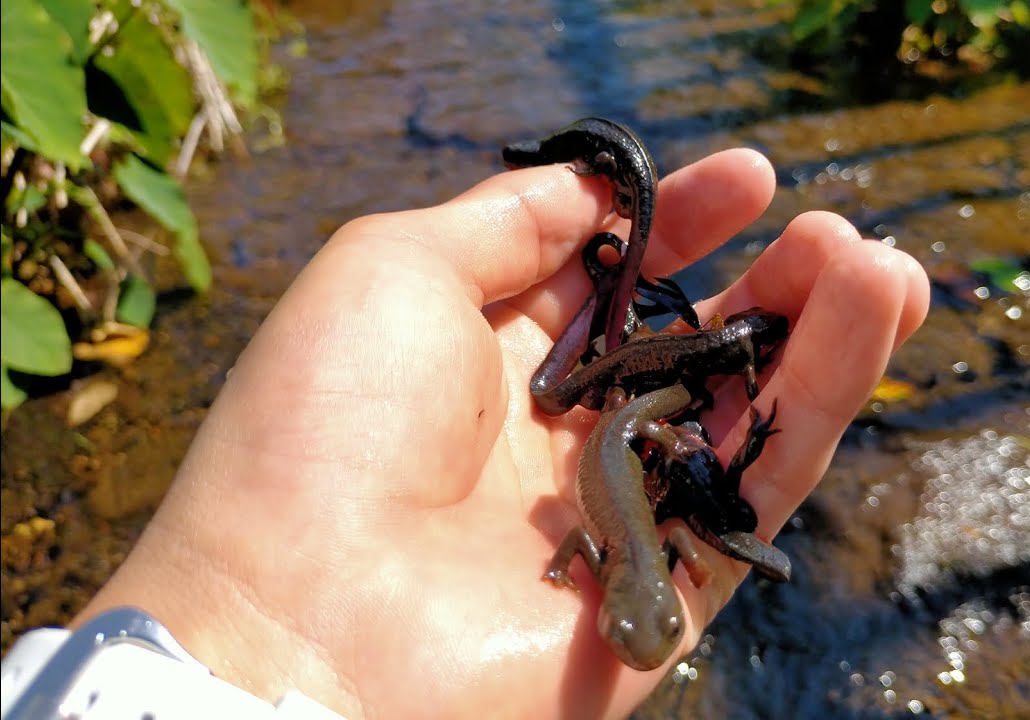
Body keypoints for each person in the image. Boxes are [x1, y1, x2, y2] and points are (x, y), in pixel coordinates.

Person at [65, 149, 929, 718]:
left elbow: (593, 551)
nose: (637, 643)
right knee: (643, 425)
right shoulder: (637, 564)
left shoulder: (623, 564)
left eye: (638, 632)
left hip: (620, 444)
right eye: (645, 631)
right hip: (614, 444)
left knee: (647, 423)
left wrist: (585, 544)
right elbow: (615, 550)